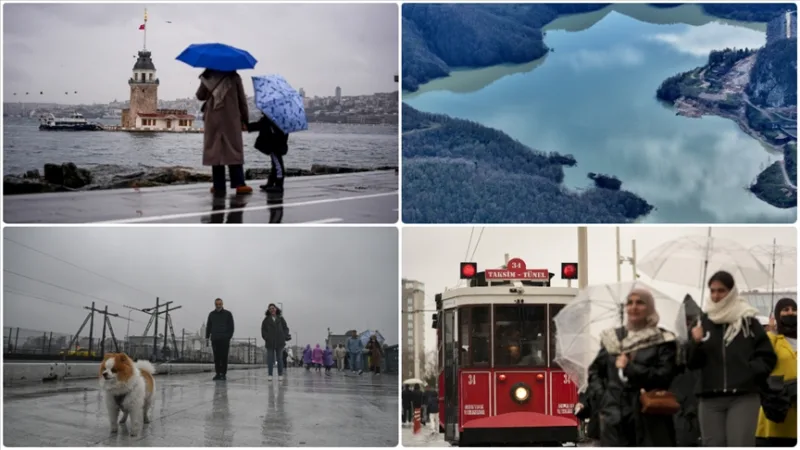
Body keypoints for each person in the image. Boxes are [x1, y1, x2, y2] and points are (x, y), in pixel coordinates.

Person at [687, 271, 777, 447]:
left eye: (721, 290)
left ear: (731, 291)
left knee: (740, 444)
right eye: (712, 291)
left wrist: (750, 372)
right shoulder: (702, 322)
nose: (716, 295)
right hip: (709, 398)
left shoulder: (748, 322)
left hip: (743, 397)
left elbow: (767, 356)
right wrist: (695, 343)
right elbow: (691, 363)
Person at [585, 288, 679, 446]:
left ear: (649, 307)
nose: (634, 307)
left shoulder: (663, 339)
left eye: (640, 303)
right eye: (630, 303)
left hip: (649, 415)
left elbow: (665, 375)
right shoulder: (613, 339)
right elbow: (595, 372)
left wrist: (630, 368)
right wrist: (604, 398)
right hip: (614, 416)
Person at [196, 69, 252, 196]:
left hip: (213, 119)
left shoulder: (208, 76)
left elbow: (200, 96)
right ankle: (239, 184)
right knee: (233, 149)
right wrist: (245, 119)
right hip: (231, 119)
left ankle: (218, 185)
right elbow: (242, 100)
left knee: (215, 151)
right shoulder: (234, 77)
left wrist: (204, 81)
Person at [756, 297, 797, 447]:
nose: (791, 313)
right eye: (785, 310)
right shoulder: (772, 339)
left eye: (794, 309)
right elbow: (761, 357)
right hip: (777, 408)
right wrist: (771, 333)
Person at [247, 114, 289, 193]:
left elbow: (260, 125)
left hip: (275, 144)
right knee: (275, 163)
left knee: (277, 164)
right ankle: (271, 182)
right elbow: (260, 125)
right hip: (274, 144)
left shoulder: (274, 118)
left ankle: (279, 184)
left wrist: (248, 127)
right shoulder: (272, 117)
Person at [206, 298, 235, 381]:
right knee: (216, 357)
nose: (218, 306)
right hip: (215, 339)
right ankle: (217, 373)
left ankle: (223, 374)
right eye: (217, 304)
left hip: (224, 339)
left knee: (224, 357)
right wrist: (207, 338)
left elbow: (231, 327)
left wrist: (228, 337)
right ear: (215, 305)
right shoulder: (211, 314)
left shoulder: (228, 314)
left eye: (220, 304)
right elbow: (209, 326)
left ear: (222, 304)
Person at [260, 303, 289, 382]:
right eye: (270, 309)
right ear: (269, 311)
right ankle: (270, 374)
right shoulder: (266, 320)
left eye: (273, 308)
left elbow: (285, 328)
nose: (272, 310)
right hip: (270, 342)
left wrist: (284, 335)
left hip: (280, 341)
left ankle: (280, 374)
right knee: (270, 359)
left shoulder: (281, 319)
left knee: (280, 358)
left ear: (276, 309)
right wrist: (267, 338)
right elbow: (263, 330)